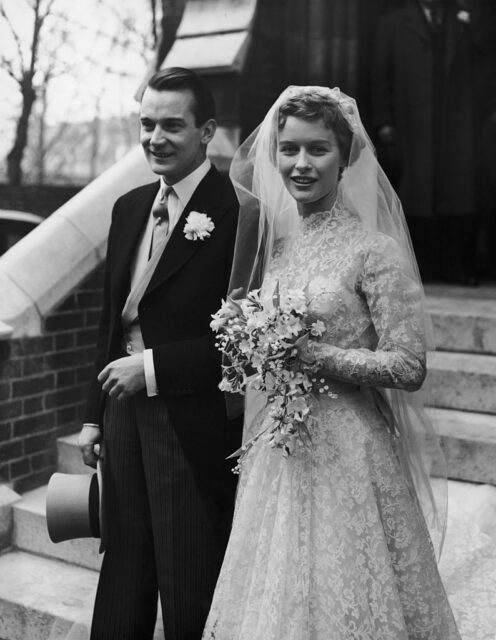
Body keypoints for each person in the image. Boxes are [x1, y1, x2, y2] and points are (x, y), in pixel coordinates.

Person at [202, 86, 461, 638]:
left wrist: (313, 354)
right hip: (281, 446)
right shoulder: (276, 252)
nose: (301, 164)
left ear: (344, 157)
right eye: (289, 149)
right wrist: (254, 348)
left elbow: (407, 366)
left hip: (352, 449)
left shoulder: (374, 250)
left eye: (317, 149)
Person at [77, 67, 242, 640]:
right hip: (121, 411)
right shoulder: (128, 206)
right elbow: (110, 319)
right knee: (123, 565)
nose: (155, 138)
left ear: (207, 131)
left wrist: (150, 369)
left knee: (188, 574)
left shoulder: (241, 215)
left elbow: (242, 346)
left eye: (172, 125)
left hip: (190, 419)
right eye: (146, 124)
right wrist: (93, 415)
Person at [372, 0, 478, 283]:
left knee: (455, 195)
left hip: (453, 127)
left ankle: (455, 269)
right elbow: (380, 76)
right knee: (415, 198)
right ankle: (418, 271)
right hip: (412, 126)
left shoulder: (461, 21)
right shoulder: (393, 24)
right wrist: (384, 121)